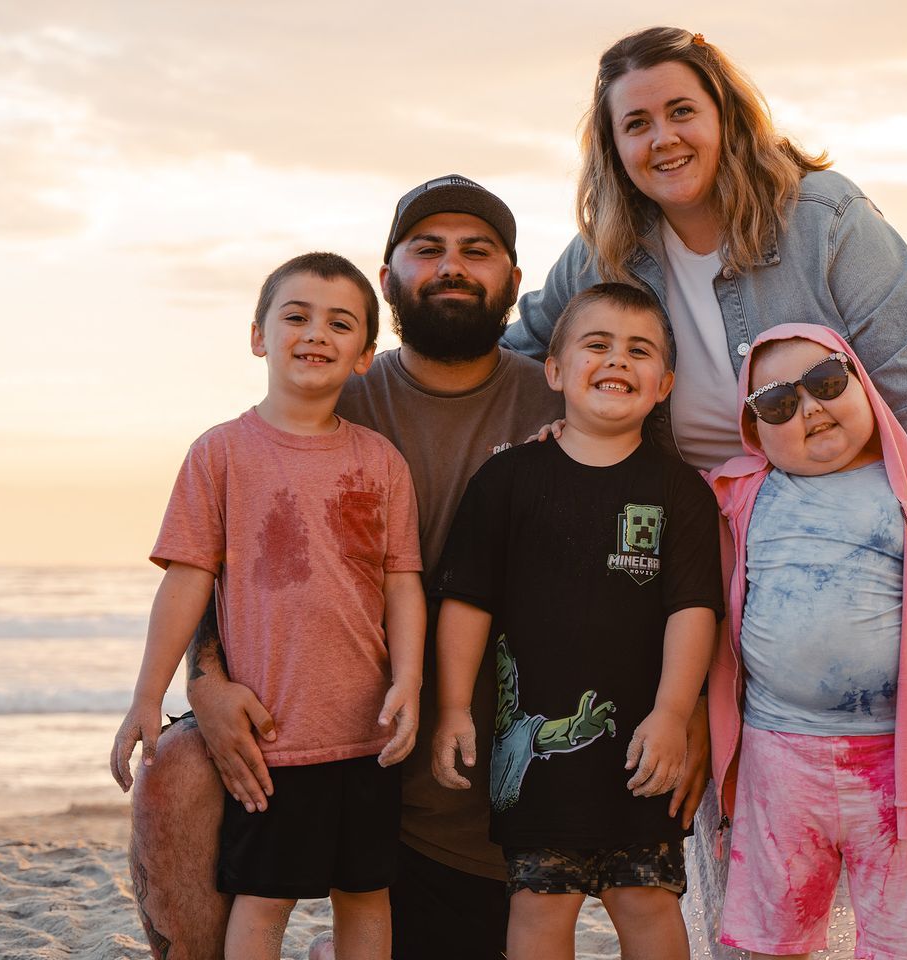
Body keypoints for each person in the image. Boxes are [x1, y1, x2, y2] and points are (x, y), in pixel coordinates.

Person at [122, 175, 575, 960]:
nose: (451, 267)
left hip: (465, 774)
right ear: (389, 277)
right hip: (306, 727)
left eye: (478, 251)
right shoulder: (333, 397)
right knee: (181, 767)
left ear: (512, 278)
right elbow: (217, 553)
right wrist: (206, 682)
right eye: (426, 250)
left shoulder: (559, 405)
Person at [502, 26, 907, 634]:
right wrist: (555, 426)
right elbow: (519, 355)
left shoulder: (825, 220)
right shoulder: (603, 255)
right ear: (614, 148)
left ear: (725, 116)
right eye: (636, 124)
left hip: (835, 545)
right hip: (684, 552)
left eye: (681, 111)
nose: (664, 139)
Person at [109, 251, 425, 960]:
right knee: (265, 896)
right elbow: (186, 581)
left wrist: (410, 680)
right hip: (272, 737)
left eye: (340, 323)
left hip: (366, 732)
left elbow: (403, 582)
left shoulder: (380, 462)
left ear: (365, 356)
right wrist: (146, 695)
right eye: (297, 316)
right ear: (258, 336)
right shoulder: (219, 454)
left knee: (366, 893)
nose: (316, 333)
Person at [429, 283, 722, 960]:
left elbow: (693, 610)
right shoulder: (506, 481)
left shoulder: (679, 491)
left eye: (639, 350)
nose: (618, 359)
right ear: (555, 371)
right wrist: (451, 709)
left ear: (663, 384)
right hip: (533, 757)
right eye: (598, 344)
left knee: (647, 902)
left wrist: (674, 714)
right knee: (538, 908)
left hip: (642, 749)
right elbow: (466, 602)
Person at [704, 324, 907, 959]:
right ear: (754, 430)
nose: (810, 407)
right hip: (776, 755)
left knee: (906, 938)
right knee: (772, 934)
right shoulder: (739, 496)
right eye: (779, 404)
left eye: (825, 383)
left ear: (863, 386)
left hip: (893, 763)